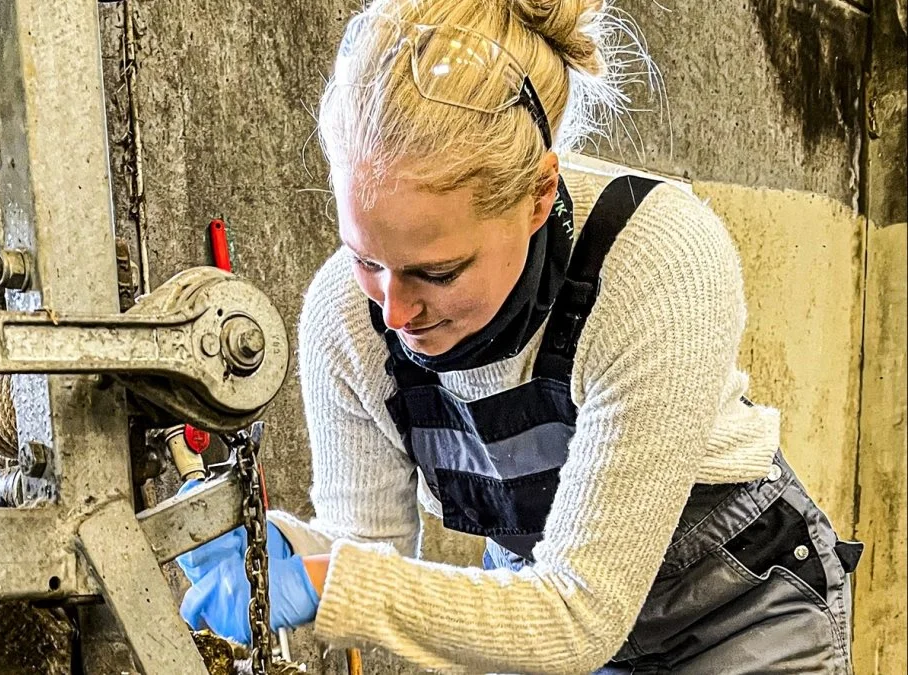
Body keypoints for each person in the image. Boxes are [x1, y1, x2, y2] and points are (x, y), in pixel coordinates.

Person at [176, 0, 863, 672]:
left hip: (729, 602)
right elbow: (367, 550)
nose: (394, 310)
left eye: (437, 271)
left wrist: (333, 584)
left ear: (538, 196)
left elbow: (578, 615)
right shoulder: (346, 314)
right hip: (543, 596)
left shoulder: (655, 258)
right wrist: (287, 550)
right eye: (366, 259)